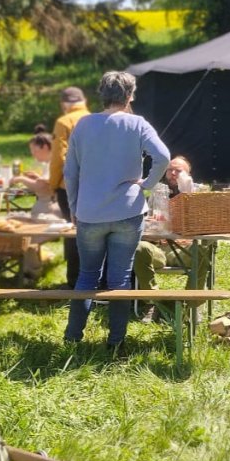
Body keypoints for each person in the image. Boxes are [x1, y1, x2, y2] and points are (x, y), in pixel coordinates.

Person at [63, 71, 170, 349]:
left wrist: (74, 207)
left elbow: (70, 172)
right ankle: (116, 342)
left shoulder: (83, 125)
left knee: (86, 276)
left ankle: (72, 339)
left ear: (102, 94)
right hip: (127, 211)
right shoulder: (138, 124)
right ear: (130, 95)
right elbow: (163, 157)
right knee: (120, 278)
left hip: (89, 212)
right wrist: (146, 184)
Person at [133, 156, 212, 322]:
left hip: (187, 249)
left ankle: (192, 306)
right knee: (139, 248)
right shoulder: (156, 191)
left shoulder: (199, 192)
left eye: (178, 170)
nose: (173, 173)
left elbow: (206, 221)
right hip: (160, 248)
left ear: (188, 174)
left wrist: (187, 194)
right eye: (170, 170)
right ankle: (151, 302)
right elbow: (147, 220)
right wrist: (149, 223)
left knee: (203, 250)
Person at [49, 87, 91, 287]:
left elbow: (58, 158)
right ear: (84, 101)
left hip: (69, 187)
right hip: (93, 185)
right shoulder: (94, 119)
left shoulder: (63, 121)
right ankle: (93, 278)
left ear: (64, 104)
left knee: (72, 232)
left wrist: (52, 184)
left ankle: (74, 282)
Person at [12, 127, 61, 219]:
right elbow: (47, 182)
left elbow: (42, 186)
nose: (33, 154)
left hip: (51, 211)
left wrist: (21, 179)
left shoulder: (54, 164)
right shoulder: (50, 163)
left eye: (34, 150)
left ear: (45, 147)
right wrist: (37, 177)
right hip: (48, 208)